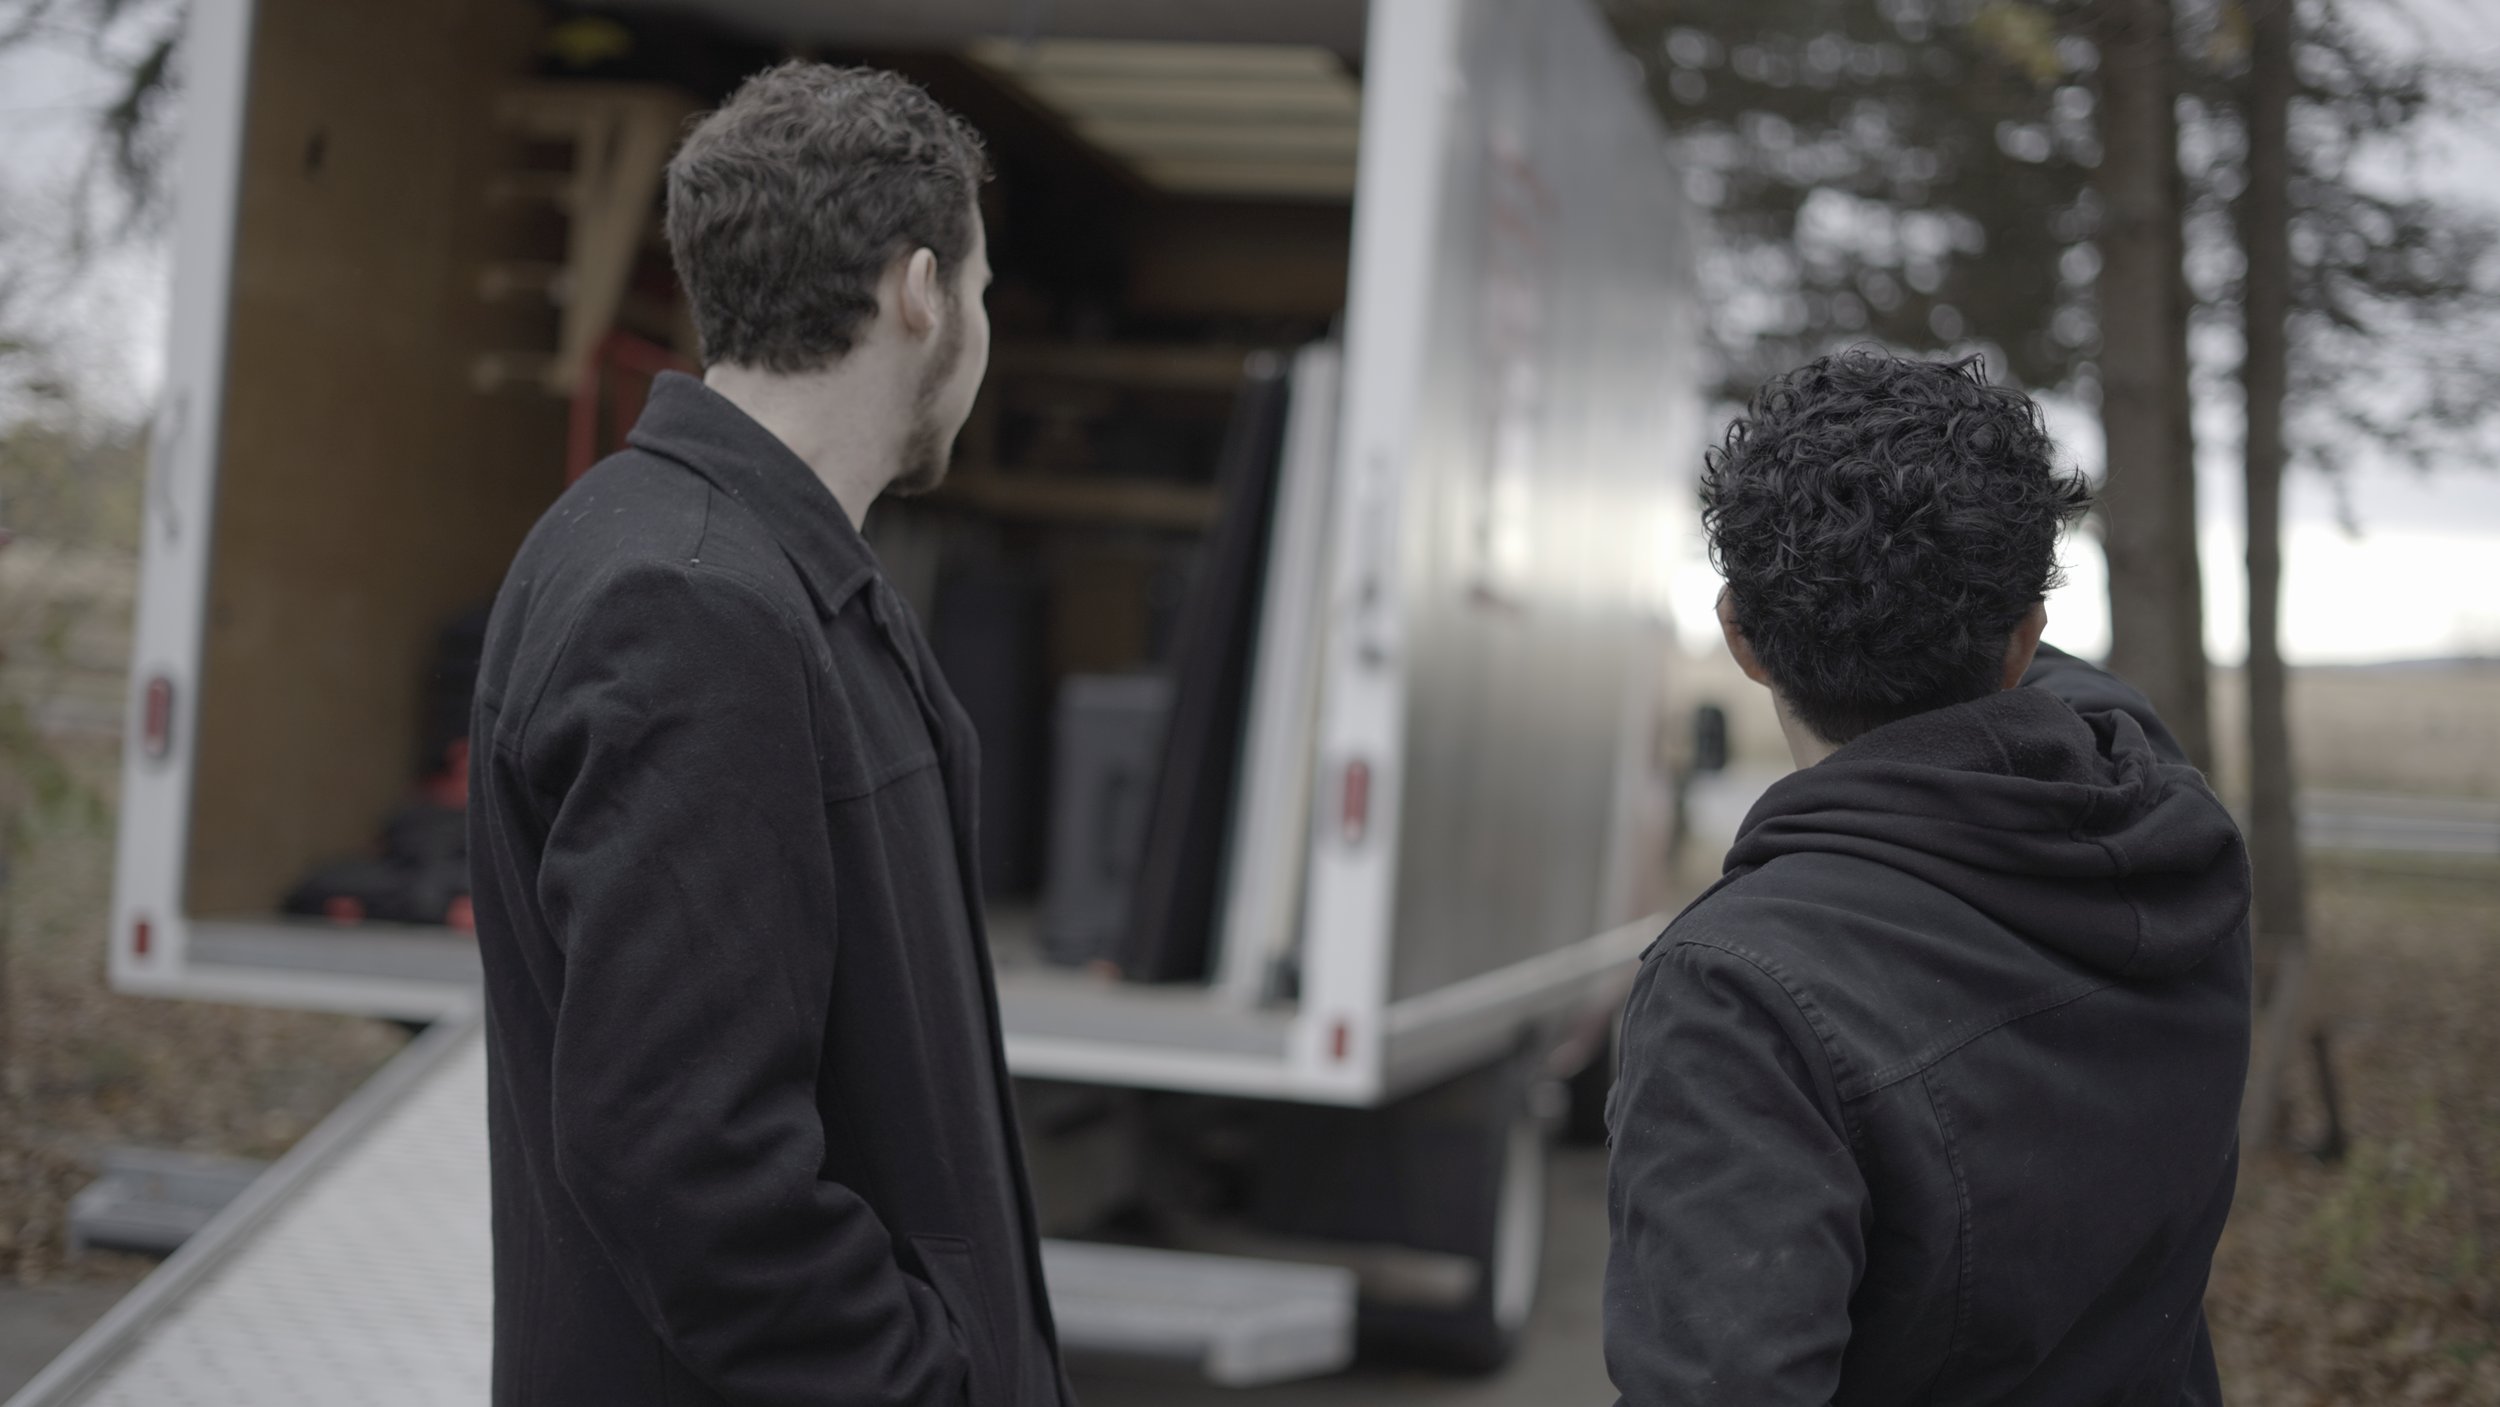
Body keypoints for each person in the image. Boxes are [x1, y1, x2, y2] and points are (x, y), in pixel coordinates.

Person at [468, 63, 1070, 1406]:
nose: (975, 325)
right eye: (974, 290)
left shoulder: (757, 566)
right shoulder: (689, 602)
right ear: (919, 291)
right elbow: (687, 1158)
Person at [1604, 351, 2251, 1405]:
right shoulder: (2173, 841)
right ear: (2024, 642)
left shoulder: (1741, 993)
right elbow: (2053, 677)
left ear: (1740, 640)